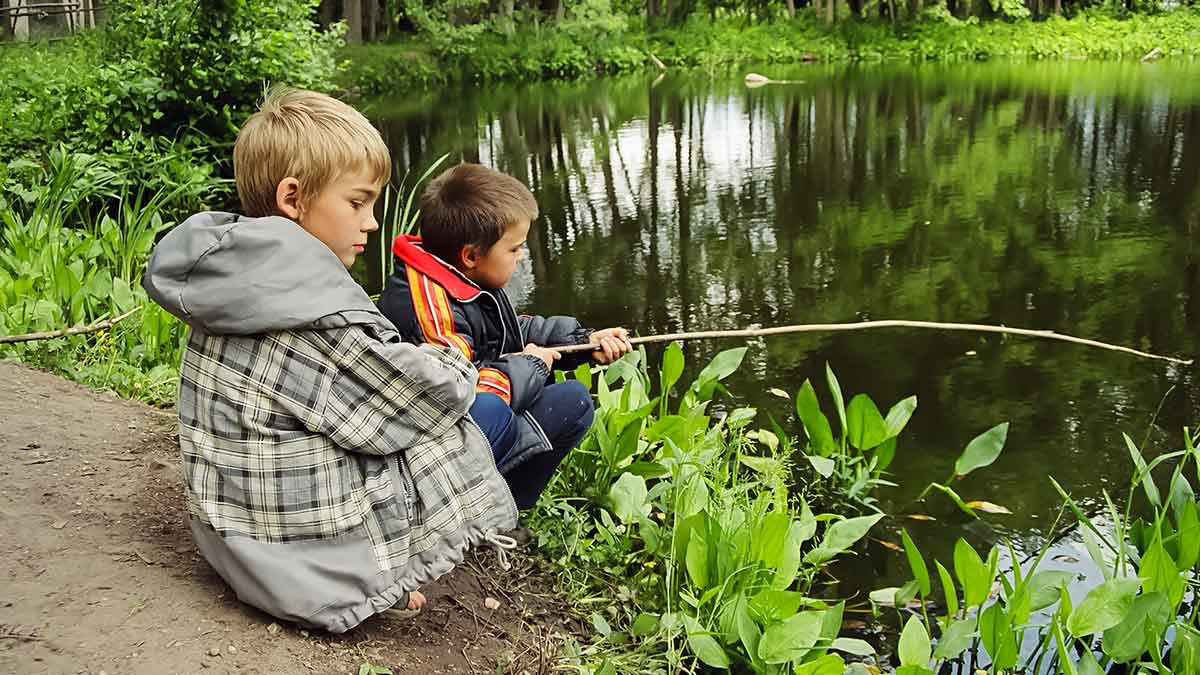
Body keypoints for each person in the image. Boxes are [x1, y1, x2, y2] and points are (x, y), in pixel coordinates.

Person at [143, 88, 518, 634]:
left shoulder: (240, 276)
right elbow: (414, 402)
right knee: (449, 427)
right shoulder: (306, 311)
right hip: (295, 569)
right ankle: (364, 574)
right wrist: (465, 367)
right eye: (357, 202)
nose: (371, 223)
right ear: (293, 198)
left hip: (236, 537)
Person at [378, 163, 633, 510]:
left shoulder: (459, 274)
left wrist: (584, 341)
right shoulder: (428, 307)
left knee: (573, 401)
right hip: (440, 444)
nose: (521, 256)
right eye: (514, 249)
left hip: (468, 420)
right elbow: (465, 397)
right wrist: (531, 365)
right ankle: (477, 511)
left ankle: (506, 507)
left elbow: (511, 330)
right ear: (471, 255)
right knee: (566, 403)